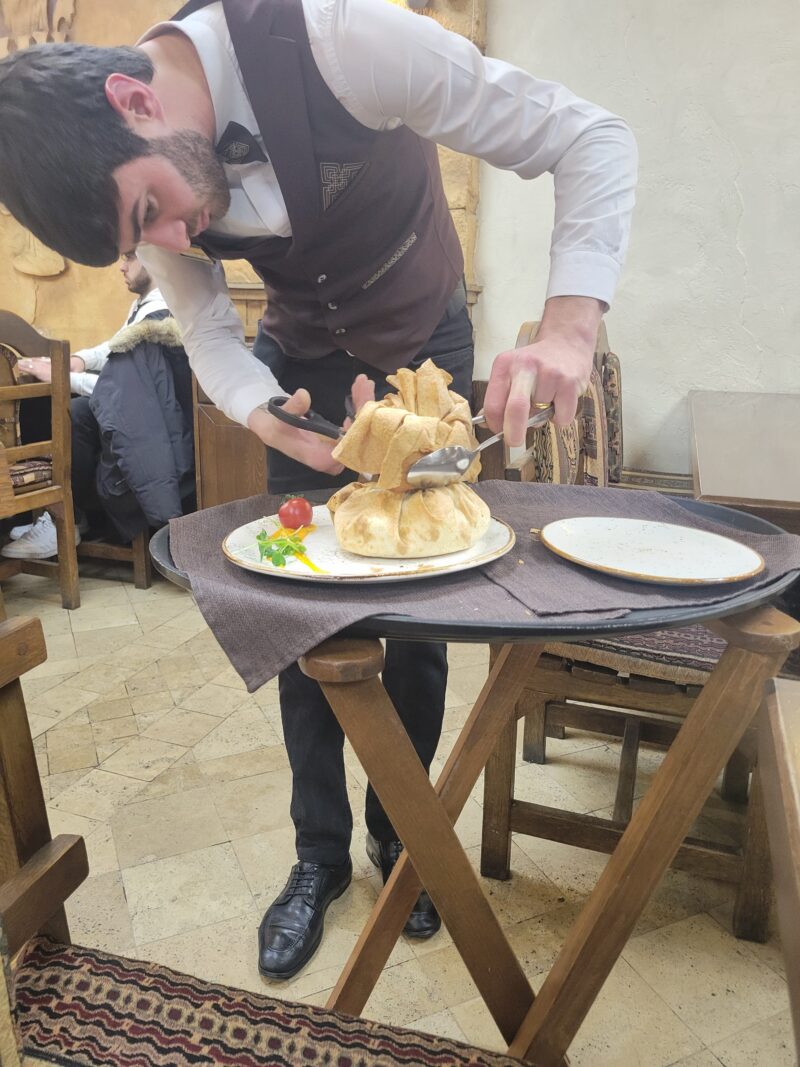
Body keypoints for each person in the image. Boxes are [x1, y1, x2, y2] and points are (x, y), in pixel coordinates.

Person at [0, 0, 637, 979]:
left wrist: (566, 325)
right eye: (147, 231)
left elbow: (588, 134)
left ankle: (405, 839)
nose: (174, 235)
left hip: (421, 345)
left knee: (416, 617)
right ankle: (316, 856)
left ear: (133, 97)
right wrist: (263, 413)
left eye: (151, 211)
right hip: (295, 367)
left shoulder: (347, 39)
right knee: (298, 617)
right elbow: (209, 332)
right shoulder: (155, 173)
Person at [3, 254, 192, 559]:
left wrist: (63, 377)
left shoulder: (161, 314)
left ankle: (68, 519)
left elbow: (119, 392)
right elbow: (115, 348)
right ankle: (64, 518)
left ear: (152, 258)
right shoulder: (146, 304)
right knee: (69, 410)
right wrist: (78, 361)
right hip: (143, 416)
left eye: (130, 257)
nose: (121, 266)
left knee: (73, 411)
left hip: (156, 431)